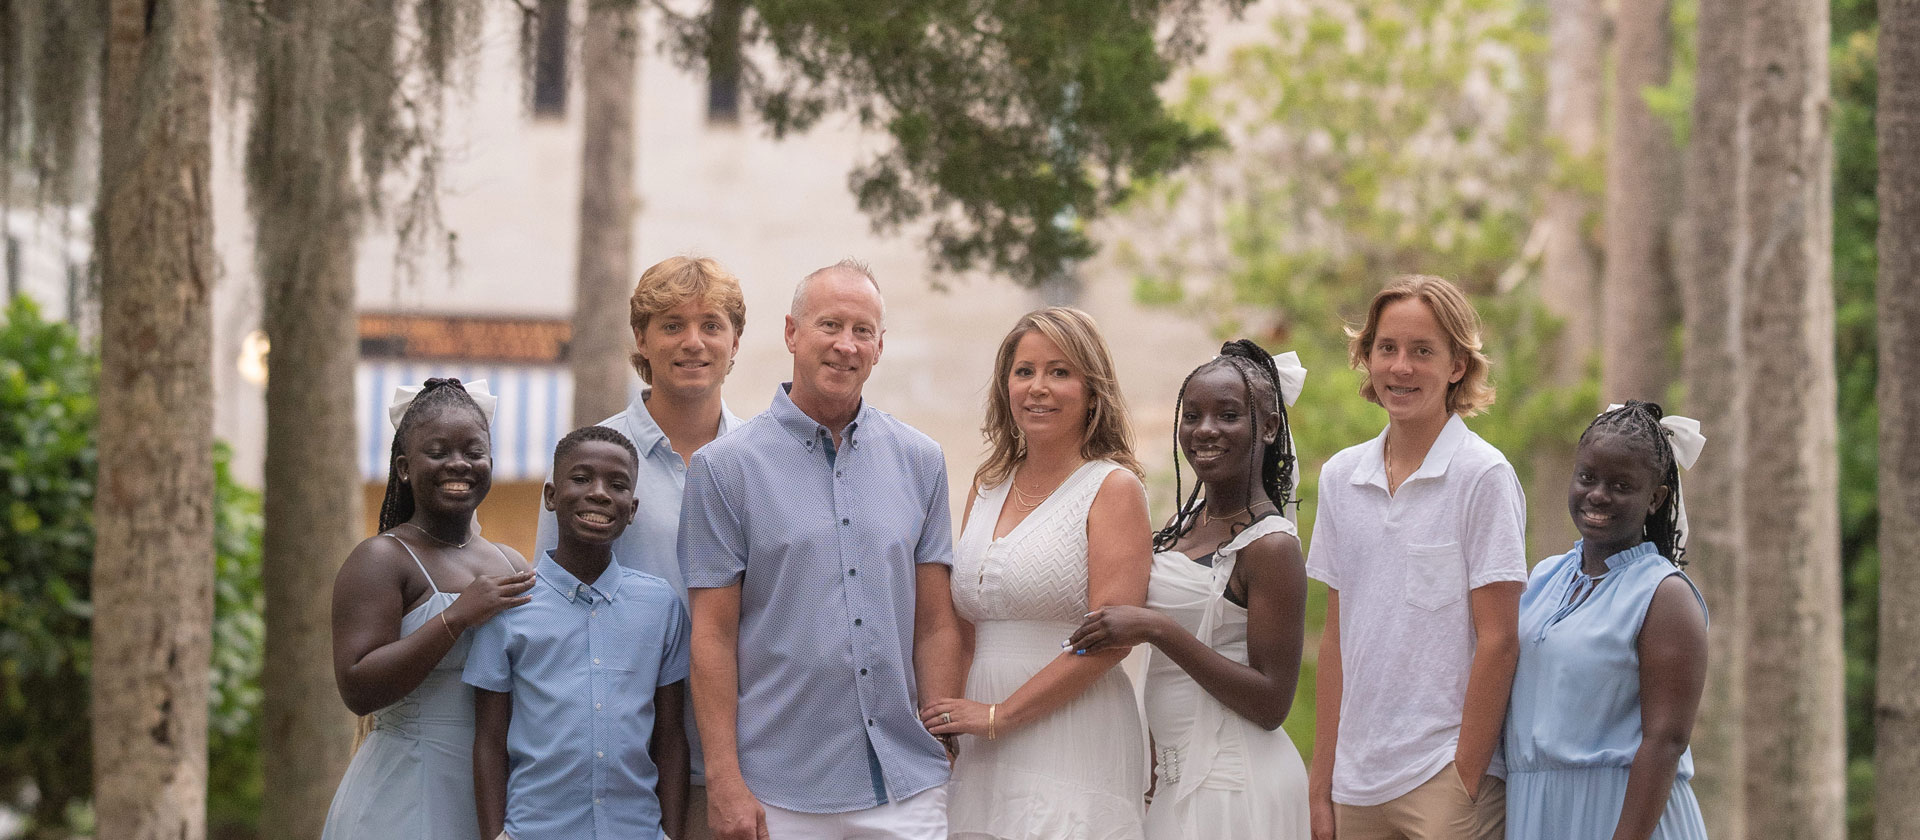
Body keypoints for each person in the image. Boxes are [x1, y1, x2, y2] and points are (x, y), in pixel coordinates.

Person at [680, 260, 966, 840]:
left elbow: (935, 623)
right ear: (791, 333)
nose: (846, 345)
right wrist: (725, 780)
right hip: (776, 790)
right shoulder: (724, 469)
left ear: (880, 346)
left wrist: (941, 743)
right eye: (830, 325)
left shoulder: (921, 460)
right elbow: (712, 636)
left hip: (906, 784)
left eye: (863, 331)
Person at [1306, 275, 1528, 840]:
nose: (1400, 367)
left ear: (1457, 365)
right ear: (1368, 357)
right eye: (1387, 349)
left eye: (1422, 351)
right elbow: (1336, 639)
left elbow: (1500, 640)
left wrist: (1465, 778)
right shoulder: (1339, 478)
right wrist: (1321, 780)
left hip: (1443, 780)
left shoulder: (1484, 477)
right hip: (1354, 785)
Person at [534, 255, 746, 839]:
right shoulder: (589, 466)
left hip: (748, 769)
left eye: (711, 325)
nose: (693, 343)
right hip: (622, 778)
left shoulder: (763, 461)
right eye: (672, 325)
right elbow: (553, 616)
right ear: (641, 340)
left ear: (735, 342)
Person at [921, 306, 1153, 840]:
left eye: (1060, 372)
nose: (1038, 387)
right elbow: (964, 628)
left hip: (1073, 731)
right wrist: (955, 727)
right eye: (1024, 371)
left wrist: (1001, 715)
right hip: (980, 737)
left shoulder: (1112, 488)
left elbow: (1112, 642)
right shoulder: (987, 485)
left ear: (1093, 391)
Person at [1068, 339, 1312, 840]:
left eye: (1227, 416)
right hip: (1179, 780)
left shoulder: (1270, 547)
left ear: (1268, 428)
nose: (1204, 430)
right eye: (1192, 415)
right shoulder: (1186, 523)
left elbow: (1272, 703)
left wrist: (1158, 629)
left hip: (1234, 784)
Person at [322, 378, 535, 840]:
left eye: (473, 451)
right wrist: (457, 616)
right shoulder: (382, 559)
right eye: (438, 452)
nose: (458, 463)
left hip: (493, 798)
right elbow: (358, 688)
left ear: (491, 463)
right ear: (403, 467)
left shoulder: (509, 562)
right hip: (404, 791)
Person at [468, 425, 691, 840]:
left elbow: (671, 736)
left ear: (632, 508)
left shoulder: (661, 607)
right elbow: (488, 740)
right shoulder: (508, 607)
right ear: (551, 496)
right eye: (582, 478)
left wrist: (672, 835)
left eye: (618, 485)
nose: (600, 493)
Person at [1504, 401, 1709, 840]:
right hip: (1536, 812)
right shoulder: (1543, 577)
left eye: (1620, 484)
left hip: (1621, 817)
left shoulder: (1663, 595)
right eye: (1587, 477)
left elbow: (1665, 743)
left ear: (1655, 498)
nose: (1598, 494)